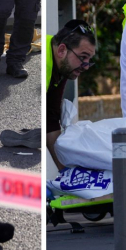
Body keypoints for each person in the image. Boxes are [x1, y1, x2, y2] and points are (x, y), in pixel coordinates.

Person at [45, 20, 97, 169]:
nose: (86, 66)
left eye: (89, 60)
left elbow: (51, 121)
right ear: (62, 50)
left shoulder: (61, 65)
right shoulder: (45, 65)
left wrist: (67, 175)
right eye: (83, 57)